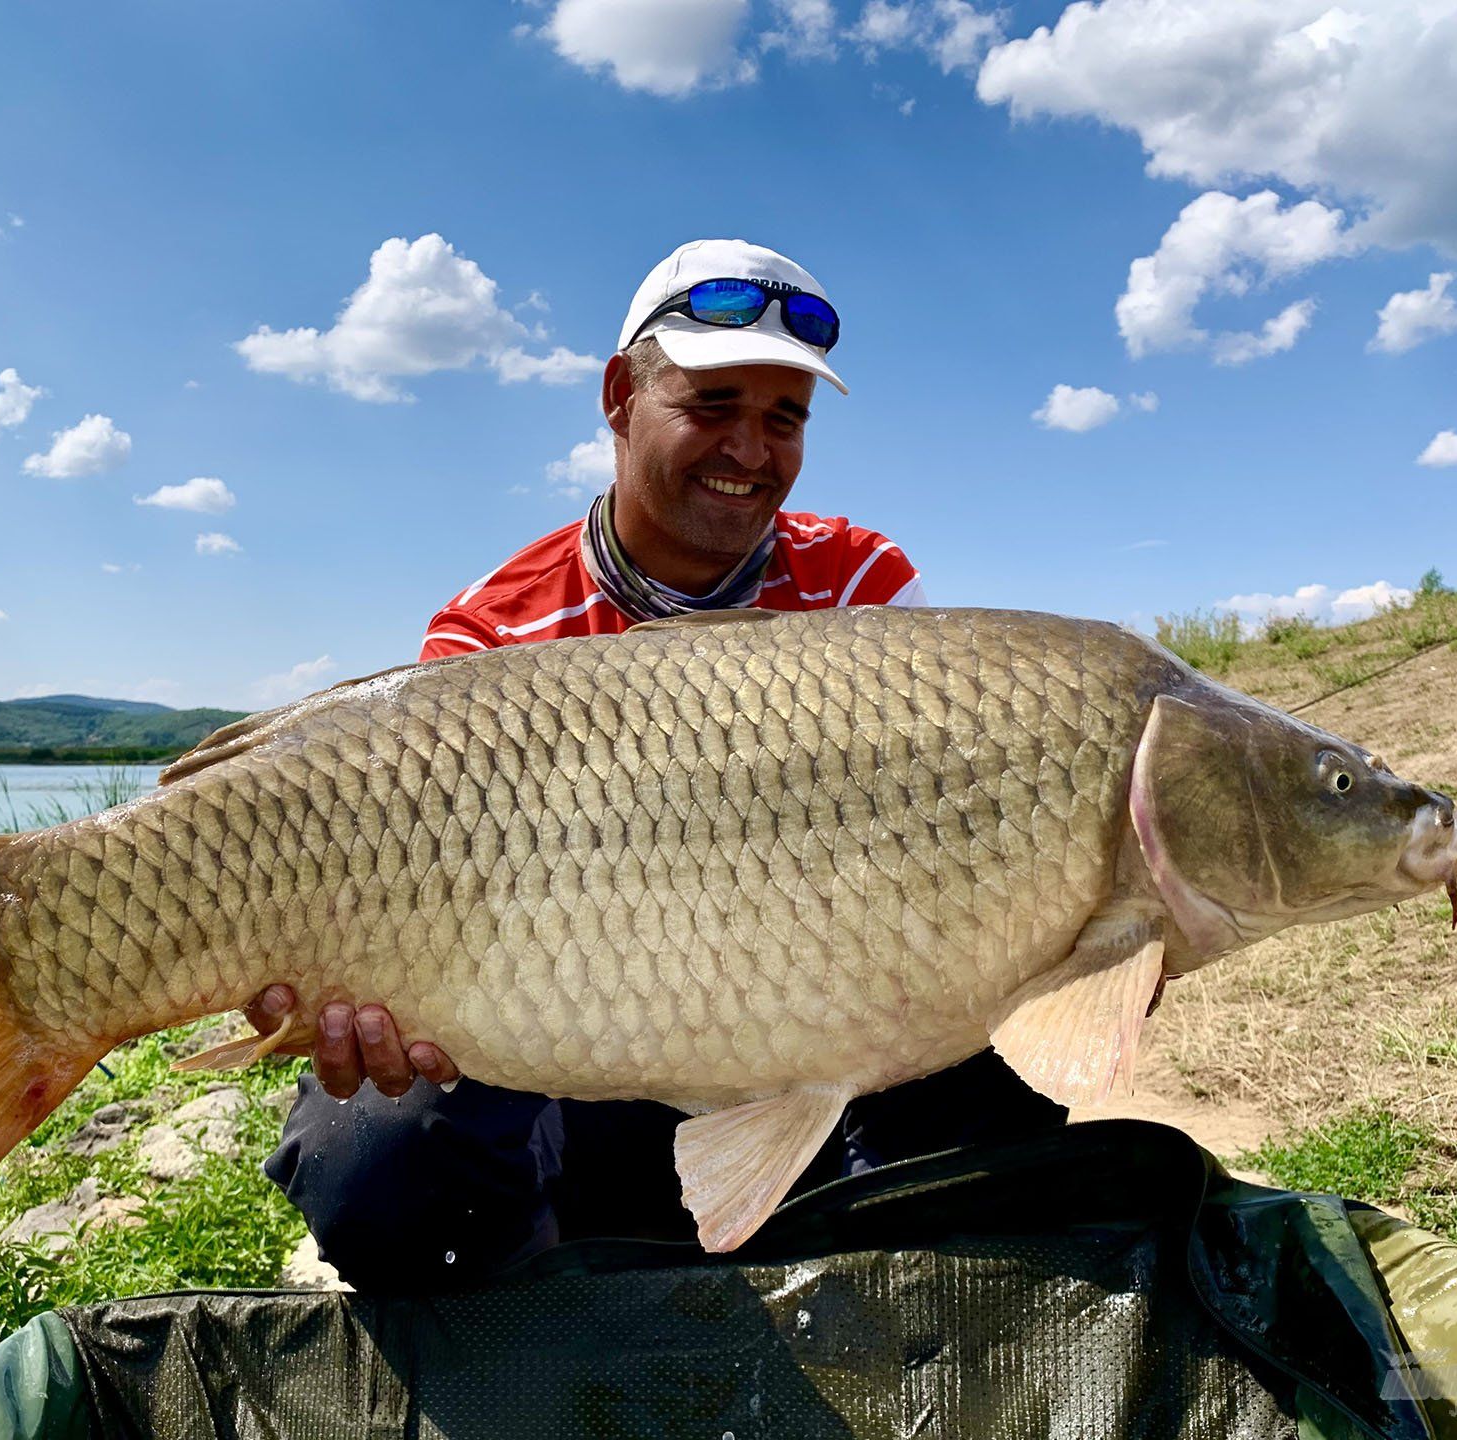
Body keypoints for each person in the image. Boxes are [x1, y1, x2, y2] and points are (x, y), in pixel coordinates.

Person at [244, 240, 1065, 1291]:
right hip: (564, 1029)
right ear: (620, 401)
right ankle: (545, 1319)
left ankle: (843, 1241)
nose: (751, 450)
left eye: (785, 419)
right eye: (712, 405)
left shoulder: (861, 582)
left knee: (991, 1152)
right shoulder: (492, 631)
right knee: (379, 1175)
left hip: (817, 1001)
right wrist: (348, 995)